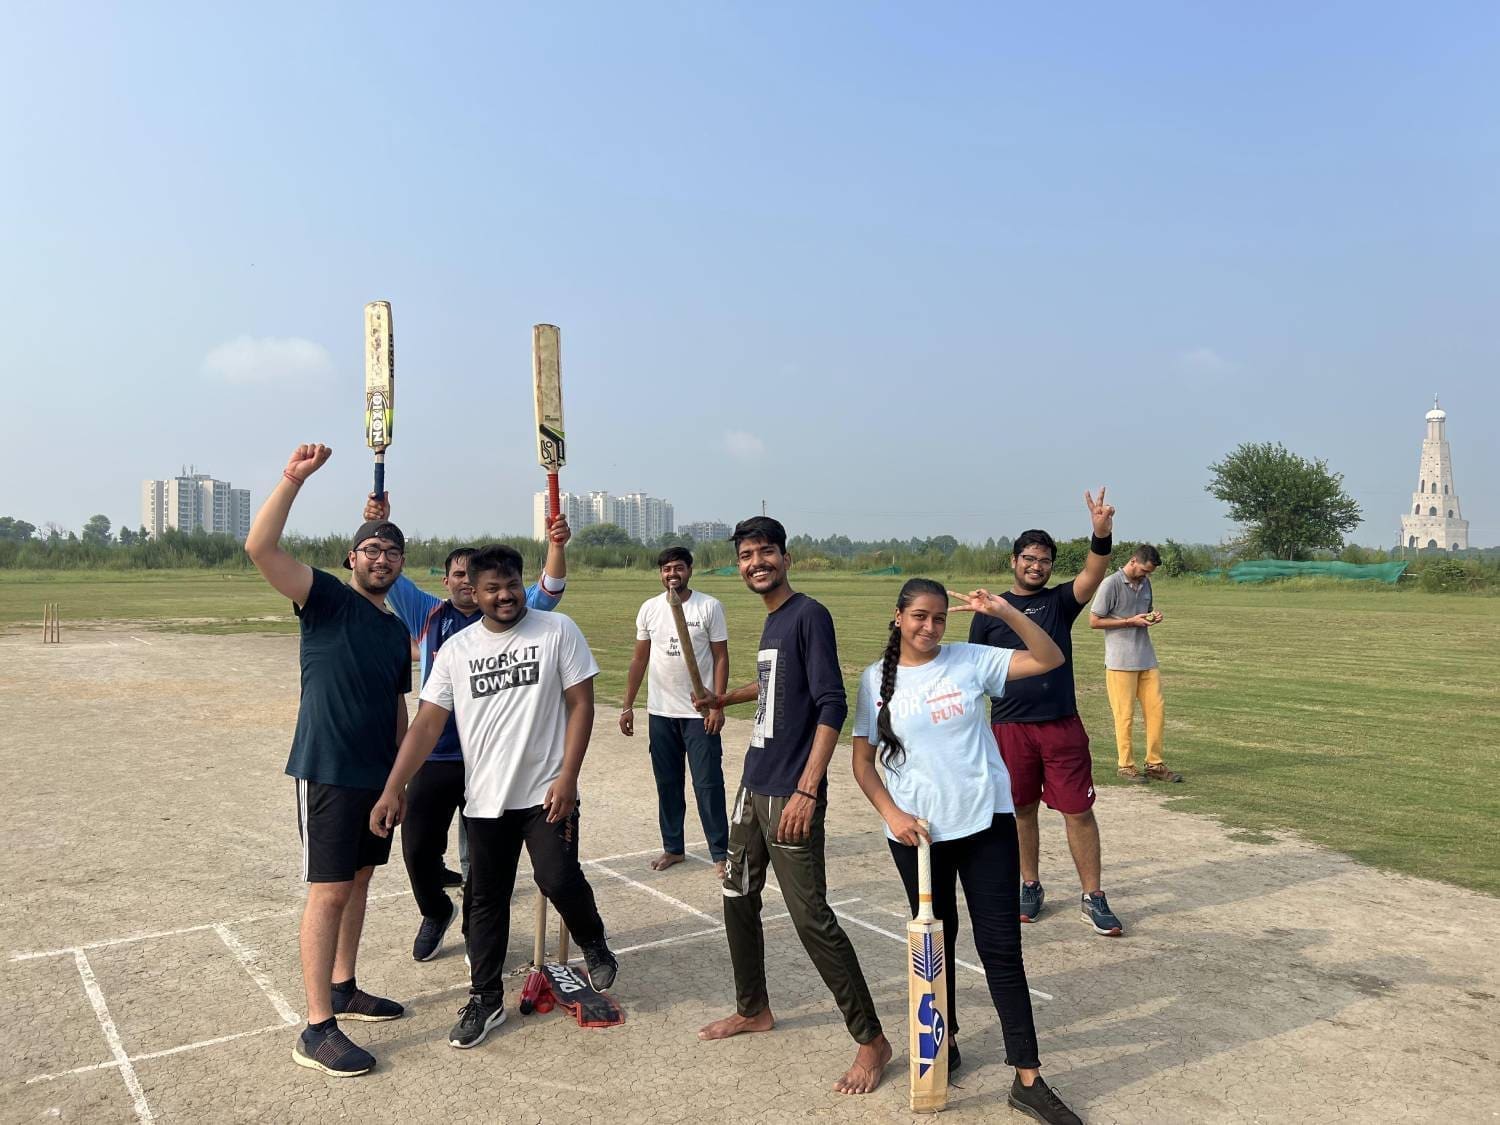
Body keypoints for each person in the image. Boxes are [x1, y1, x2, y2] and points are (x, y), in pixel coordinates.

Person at [852, 579, 1083, 1124]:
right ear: (898, 617)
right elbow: (862, 763)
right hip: (918, 838)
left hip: (986, 824)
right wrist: (893, 815)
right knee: (938, 944)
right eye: (919, 616)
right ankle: (945, 1040)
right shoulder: (874, 679)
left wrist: (1005, 612)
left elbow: (1049, 658)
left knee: (1001, 949)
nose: (930, 627)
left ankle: (1027, 1078)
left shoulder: (970, 659)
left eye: (938, 618)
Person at [370, 544, 617, 1051]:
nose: (504, 595)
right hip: (485, 799)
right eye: (491, 588)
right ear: (473, 592)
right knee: (484, 900)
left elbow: (581, 704)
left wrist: (568, 776)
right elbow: (426, 725)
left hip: (546, 791)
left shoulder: (556, 630)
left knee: (556, 877)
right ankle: (485, 999)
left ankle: (593, 940)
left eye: (511, 585)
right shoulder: (457, 650)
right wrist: (393, 787)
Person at [693, 517, 893, 1095]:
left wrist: (807, 789)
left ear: (786, 557)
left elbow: (831, 703)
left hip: (790, 792)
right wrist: (725, 697)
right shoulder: (773, 620)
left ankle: (871, 1040)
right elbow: (776, 685)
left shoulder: (809, 615)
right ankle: (753, 1008)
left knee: (811, 918)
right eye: (747, 555)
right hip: (753, 784)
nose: (756, 562)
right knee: (737, 898)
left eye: (766, 552)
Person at [245, 444, 410, 1078]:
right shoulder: (326, 600)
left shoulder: (395, 630)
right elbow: (261, 548)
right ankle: (317, 1028)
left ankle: (344, 988)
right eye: (371, 548)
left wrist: (398, 781)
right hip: (330, 769)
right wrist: (293, 478)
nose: (381, 557)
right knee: (330, 890)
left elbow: (397, 708)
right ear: (351, 558)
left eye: (391, 551)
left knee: (360, 881)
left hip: (377, 778)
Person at [360, 491, 571, 962]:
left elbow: (551, 585)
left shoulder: (513, 615)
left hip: (491, 760)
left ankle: (479, 931)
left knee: (481, 861)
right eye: (456, 575)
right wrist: (377, 525)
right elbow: (385, 573)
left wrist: (556, 544)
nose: (464, 584)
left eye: (470, 577)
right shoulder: (426, 613)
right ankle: (436, 910)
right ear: (449, 581)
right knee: (417, 850)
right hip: (437, 755)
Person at [968, 490, 1125, 937]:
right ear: (1014, 561)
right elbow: (976, 670)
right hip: (1010, 726)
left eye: (1044, 561)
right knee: (1021, 810)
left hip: (1060, 724)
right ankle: (1030, 885)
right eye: (1029, 559)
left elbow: (1094, 572)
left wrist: (1100, 533)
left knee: (1078, 810)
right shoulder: (990, 610)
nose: (1037, 566)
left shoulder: (1059, 602)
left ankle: (1093, 895)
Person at [619, 546, 731, 878]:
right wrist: (628, 705)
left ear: (690, 570)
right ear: (660, 573)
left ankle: (720, 853)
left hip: (699, 714)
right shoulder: (650, 609)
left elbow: (721, 657)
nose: (672, 574)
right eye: (666, 569)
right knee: (668, 784)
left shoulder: (708, 606)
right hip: (661, 712)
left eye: (678, 568)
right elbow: (639, 659)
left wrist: (717, 704)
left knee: (708, 784)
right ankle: (673, 848)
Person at [1089, 544, 1183, 784]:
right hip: (1120, 662)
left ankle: (1154, 764)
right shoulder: (1110, 584)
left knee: (1156, 711)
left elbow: (1144, 613)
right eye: (1144, 570)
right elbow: (1094, 621)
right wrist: (1129, 621)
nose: (1146, 575)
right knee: (1125, 715)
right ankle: (1126, 766)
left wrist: (1153, 617)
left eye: (1149, 573)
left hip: (1146, 658)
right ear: (1133, 561)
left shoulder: (1145, 584)